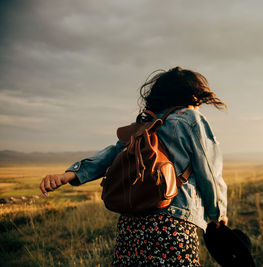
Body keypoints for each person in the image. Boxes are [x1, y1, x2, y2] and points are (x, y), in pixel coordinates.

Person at [39, 66, 228, 266]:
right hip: (173, 223)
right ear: (193, 96)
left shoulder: (144, 126)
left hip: (131, 225)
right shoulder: (192, 119)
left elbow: (113, 154)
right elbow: (210, 172)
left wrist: (70, 174)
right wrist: (218, 215)